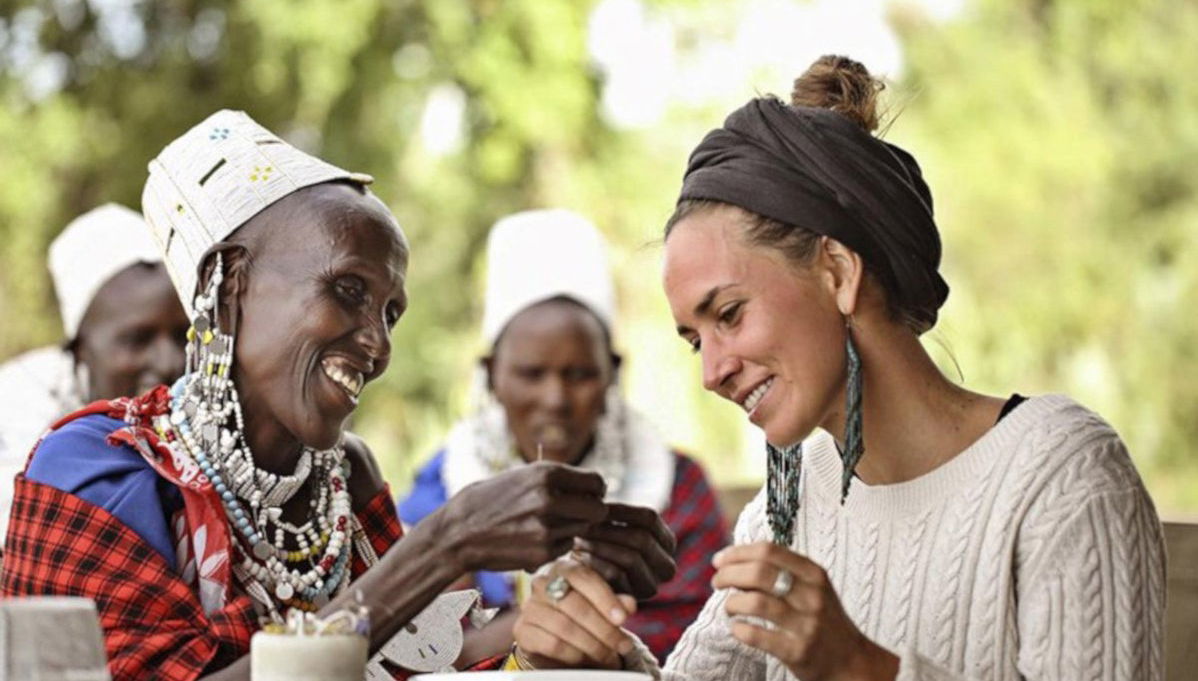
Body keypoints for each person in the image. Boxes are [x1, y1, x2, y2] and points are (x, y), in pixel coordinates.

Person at [507, 55, 1166, 681]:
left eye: (729, 313)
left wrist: (855, 666)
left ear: (838, 271)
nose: (711, 372)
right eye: (694, 340)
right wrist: (582, 656)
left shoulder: (1060, 476)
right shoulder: (790, 506)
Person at [0, 110, 673, 681]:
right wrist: (444, 544)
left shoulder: (345, 480)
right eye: (349, 291)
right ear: (229, 284)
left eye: (390, 313)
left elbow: (411, 670)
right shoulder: (96, 469)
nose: (378, 345)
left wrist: (544, 636)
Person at [399, 209, 728, 662]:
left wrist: (525, 629)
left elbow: (706, 645)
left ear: (612, 374)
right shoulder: (445, 489)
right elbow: (422, 654)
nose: (555, 399)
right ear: (492, 375)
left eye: (579, 374)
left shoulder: (675, 488)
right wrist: (544, 621)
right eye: (531, 374)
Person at [0, 203, 188, 547]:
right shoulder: (18, 409)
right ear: (79, 348)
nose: (169, 362)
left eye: (183, 336)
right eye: (137, 339)